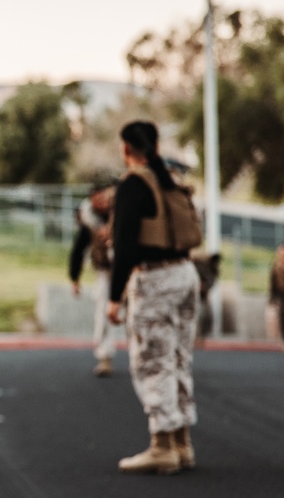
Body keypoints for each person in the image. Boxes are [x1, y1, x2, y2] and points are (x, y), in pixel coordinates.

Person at [107, 120, 200, 475]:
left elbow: (126, 246)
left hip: (156, 278)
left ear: (127, 148)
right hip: (185, 273)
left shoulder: (135, 183)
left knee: (152, 359)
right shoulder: (170, 180)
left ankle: (162, 445)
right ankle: (181, 442)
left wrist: (114, 298)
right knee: (178, 357)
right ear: (156, 145)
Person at [69, 180, 119, 377]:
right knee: (104, 311)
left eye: (106, 198)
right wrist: (75, 278)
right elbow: (77, 250)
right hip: (105, 271)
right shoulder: (89, 222)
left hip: (130, 269)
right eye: (99, 199)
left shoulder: (122, 213)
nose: (104, 203)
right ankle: (104, 356)